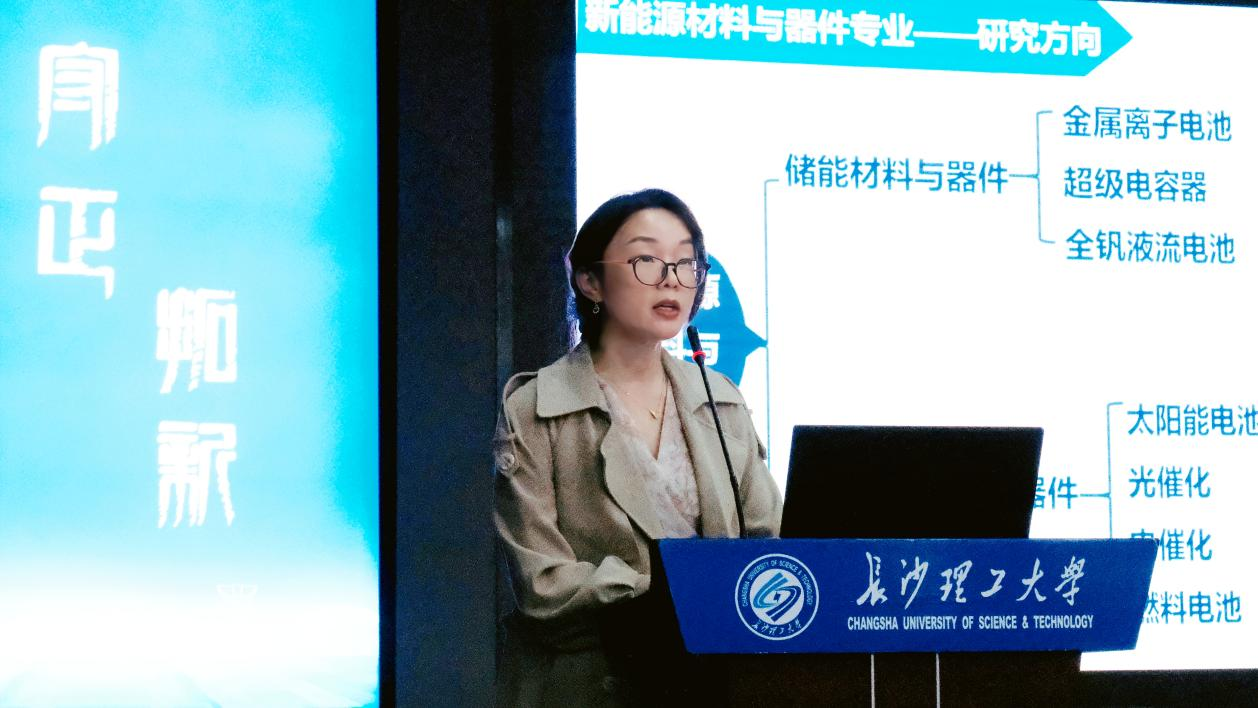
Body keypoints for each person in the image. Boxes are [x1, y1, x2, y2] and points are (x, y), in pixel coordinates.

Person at [493, 188, 781, 707]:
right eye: (647, 260)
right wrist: (680, 590)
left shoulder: (719, 399)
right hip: (592, 687)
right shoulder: (535, 407)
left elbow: (770, 543)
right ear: (590, 280)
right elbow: (543, 584)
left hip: (720, 686)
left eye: (686, 263)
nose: (672, 279)